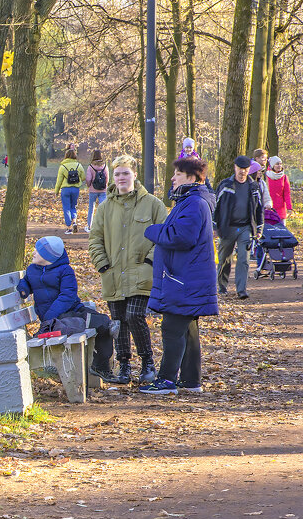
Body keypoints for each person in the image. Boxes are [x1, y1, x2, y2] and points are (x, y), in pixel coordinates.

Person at [140, 157, 218, 394]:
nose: (172, 178)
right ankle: (191, 380)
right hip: (187, 278)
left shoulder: (194, 203)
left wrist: (153, 230)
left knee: (172, 328)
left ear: (192, 178)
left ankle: (166, 380)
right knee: (187, 330)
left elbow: (181, 237)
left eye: (178, 174)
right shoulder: (190, 201)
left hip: (185, 280)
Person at [88, 155, 167, 384]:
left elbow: (162, 237)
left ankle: (147, 362)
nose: (121, 178)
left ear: (134, 174)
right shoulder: (105, 208)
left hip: (141, 274)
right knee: (118, 320)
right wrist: (102, 263)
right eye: (117, 173)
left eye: (125, 173)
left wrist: (150, 263)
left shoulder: (152, 204)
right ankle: (123, 366)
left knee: (134, 315)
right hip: (113, 273)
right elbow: (95, 239)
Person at [17, 236, 125, 384]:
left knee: (99, 322)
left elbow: (68, 296)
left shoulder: (65, 271)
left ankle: (101, 364)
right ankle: (102, 364)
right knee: (100, 324)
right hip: (56, 320)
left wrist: (50, 314)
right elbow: (27, 281)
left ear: (49, 257)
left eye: (38, 251)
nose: (34, 252)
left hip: (69, 310)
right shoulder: (32, 270)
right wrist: (23, 289)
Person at [214, 155, 264, 300]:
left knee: (244, 259)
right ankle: (222, 286)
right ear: (235, 168)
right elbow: (216, 207)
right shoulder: (225, 185)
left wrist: (259, 229)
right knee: (224, 259)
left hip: (245, 228)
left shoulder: (254, 187)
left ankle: (241, 289)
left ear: (249, 170)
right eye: (240, 169)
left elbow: (259, 210)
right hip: (227, 227)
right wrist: (215, 226)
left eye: (245, 169)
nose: (242, 172)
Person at [55, 148, 87, 234]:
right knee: (73, 206)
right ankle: (75, 222)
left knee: (66, 208)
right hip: (75, 189)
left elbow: (59, 180)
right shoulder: (79, 165)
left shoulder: (62, 166)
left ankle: (69, 227)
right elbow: (83, 177)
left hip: (65, 189)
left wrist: (56, 191)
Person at [85, 150, 109, 229]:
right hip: (103, 190)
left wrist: (89, 185)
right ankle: (102, 225)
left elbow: (88, 179)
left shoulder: (90, 167)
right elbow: (107, 178)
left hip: (93, 190)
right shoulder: (104, 166)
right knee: (102, 208)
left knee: (91, 208)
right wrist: (105, 185)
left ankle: (89, 225)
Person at [266, 156, 293, 220]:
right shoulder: (266, 176)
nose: (279, 166)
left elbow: (287, 193)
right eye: (277, 164)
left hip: (280, 210)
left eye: (280, 164)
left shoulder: (284, 177)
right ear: (272, 165)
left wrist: (289, 208)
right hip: (268, 209)